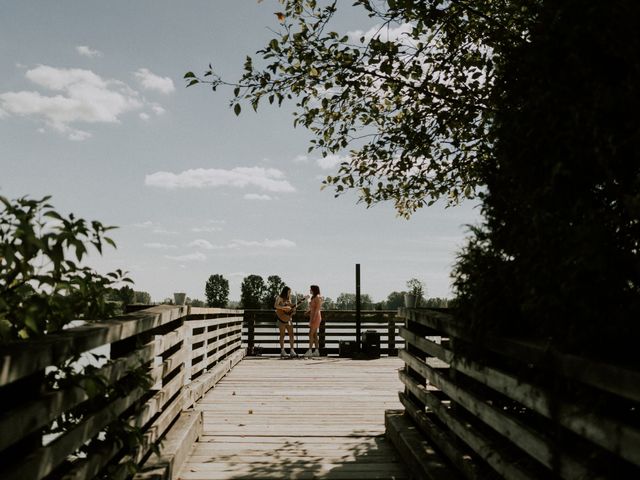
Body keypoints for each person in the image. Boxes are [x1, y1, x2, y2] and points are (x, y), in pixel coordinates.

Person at [274, 286, 298, 358]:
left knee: (292, 334)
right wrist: (283, 308)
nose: (290, 293)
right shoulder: (280, 298)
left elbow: (291, 308)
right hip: (281, 318)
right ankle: (282, 351)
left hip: (288, 319)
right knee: (282, 335)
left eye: (290, 292)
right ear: (285, 291)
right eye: (289, 292)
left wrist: (293, 311)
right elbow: (275, 305)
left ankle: (292, 350)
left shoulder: (289, 299)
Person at [304, 285, 323, 358]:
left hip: (316, 317)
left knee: (310, 334)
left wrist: (313, 319)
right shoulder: (314, 297)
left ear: (314, 290)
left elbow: (317, 309)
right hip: (313, 316)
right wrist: (308, 312)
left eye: (311, 289)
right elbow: (313, 307)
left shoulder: (317, 297)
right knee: (314, 334)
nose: (309, 290)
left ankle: (310, 350)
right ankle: (316, 351)